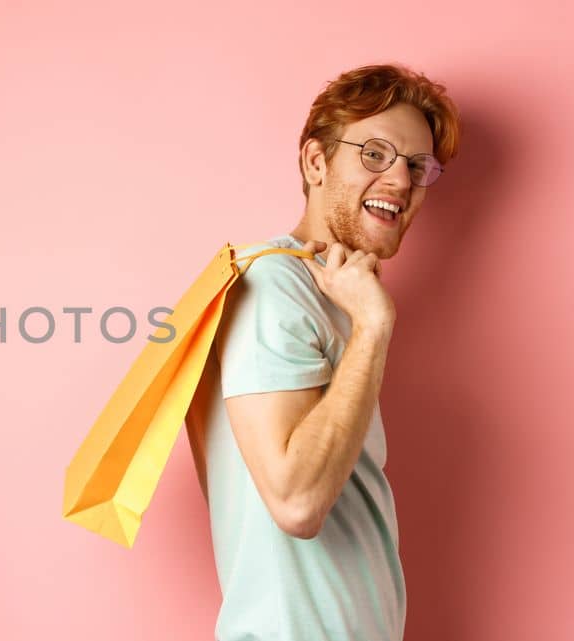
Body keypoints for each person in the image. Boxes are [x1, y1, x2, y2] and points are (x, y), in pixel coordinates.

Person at [183, 63, 462, 641]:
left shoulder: (335, 295)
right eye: (375, 154)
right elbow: (297, 502)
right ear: (316, 162)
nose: (401, 182)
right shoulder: (275, 287)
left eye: (416, 166)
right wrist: (376, 327)